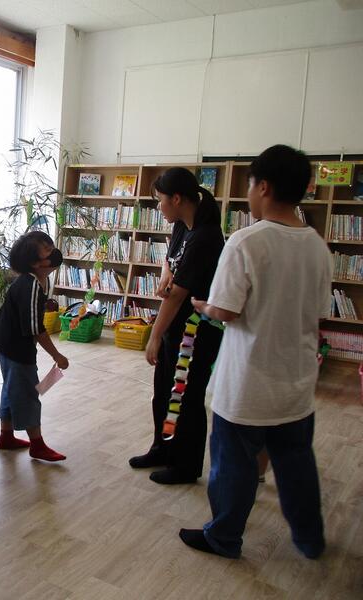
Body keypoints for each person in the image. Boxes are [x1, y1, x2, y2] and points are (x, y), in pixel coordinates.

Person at [180, 145, 331, 560]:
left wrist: (202, 306)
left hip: (248, 382)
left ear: (263, 186)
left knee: (233, 465)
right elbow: (318, 313)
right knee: (297, 465)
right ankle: (310, 539)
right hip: (297, 381)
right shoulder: (317, 246)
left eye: (249, 185)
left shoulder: (246, 241)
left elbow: (226, 310)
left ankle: (223, 537)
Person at [128, 167, 225, 485]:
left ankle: (185, 465)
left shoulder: (206, 237)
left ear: (178, 199)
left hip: (196, 330)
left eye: (160, 200)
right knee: (163, 394)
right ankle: (163, 448)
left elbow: (178, 296)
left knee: (184, 398)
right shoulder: (183, 225)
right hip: (177, 327)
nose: (158, 206)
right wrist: (165, 275)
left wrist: (154, 337)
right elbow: (170, 260)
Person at [0, 231, 69, 461]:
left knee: (11, 387)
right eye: (48, 250)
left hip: (7, 340)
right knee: (27, 393)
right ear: (35, 263)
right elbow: (35, 328)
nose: (54, 252)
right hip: (15, 346)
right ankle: (37, 445)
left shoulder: (40, 280)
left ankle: (6, 436)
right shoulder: (31, 285)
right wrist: (57, 355)